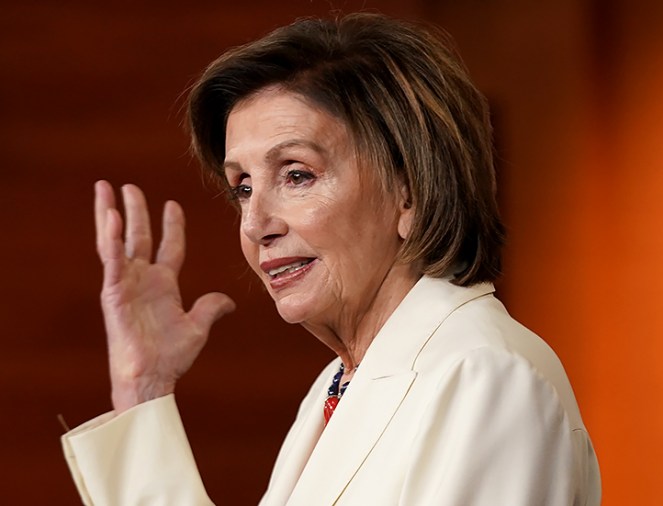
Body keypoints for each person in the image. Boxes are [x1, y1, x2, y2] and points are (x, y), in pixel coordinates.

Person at [60, 12, 601, 506]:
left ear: (409, 190)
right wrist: (143, 392)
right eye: (243, 187)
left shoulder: (486, 376)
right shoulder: (338, 386)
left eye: (297, 175)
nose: (254, 226)